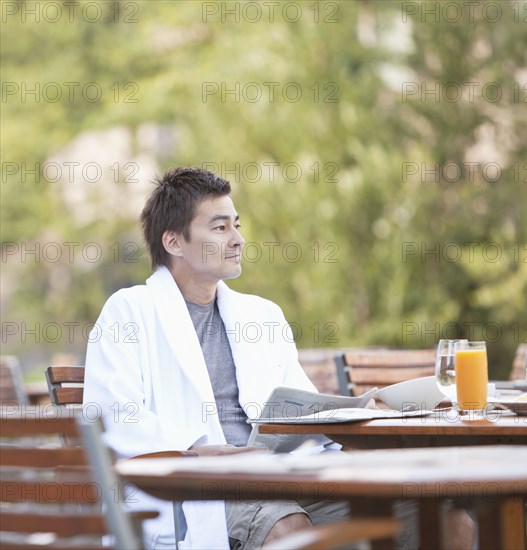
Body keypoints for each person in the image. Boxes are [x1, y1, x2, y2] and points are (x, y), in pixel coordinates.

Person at [84, 167, 472, 549]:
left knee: (450, 520)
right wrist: (198, 451)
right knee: (290, 529)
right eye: (220, 228)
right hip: (205, 493)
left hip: (287, 479)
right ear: (174, 242)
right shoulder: (129, 311)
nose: (237, 239)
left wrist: (352, 411)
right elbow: (111, 416)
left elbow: (298, 409)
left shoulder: (261, 315)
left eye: (237, 225)